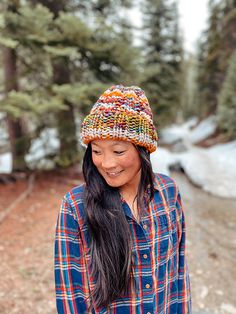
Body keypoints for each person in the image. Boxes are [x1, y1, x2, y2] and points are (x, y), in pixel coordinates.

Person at [54, 85, 191, 313]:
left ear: (143, 150)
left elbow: (179, 273)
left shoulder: (168, 192)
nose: (106, 164)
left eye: (118, 151)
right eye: (97, 151)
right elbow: (70, 297)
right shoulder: (75, 207)